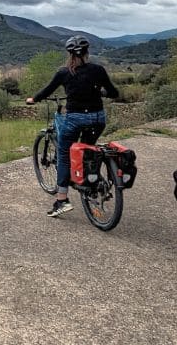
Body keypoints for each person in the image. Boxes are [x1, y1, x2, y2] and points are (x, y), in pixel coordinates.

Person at [25, 36, 120, 217]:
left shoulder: (64, 72)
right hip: (97, 119)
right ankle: (90, 182)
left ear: (69, 54)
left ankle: (62, 200)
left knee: (64, 155)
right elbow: (114, 93)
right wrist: (101, 92)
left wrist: (33, 99)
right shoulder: (98, 70)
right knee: (87, 150)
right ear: (87, 52)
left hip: (75, 119)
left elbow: (47, 90)